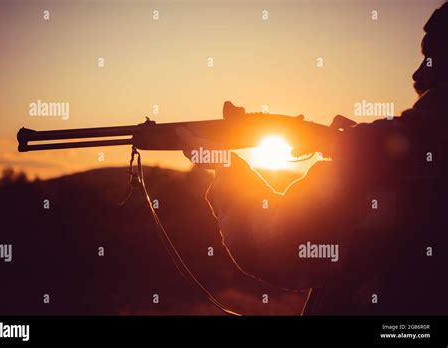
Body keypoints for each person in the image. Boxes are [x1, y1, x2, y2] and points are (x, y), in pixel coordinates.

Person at [178, 3, 448, 315]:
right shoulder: (401, 145)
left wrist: (226, 168)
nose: (417, 74)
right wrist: (352, 144)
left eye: (431, 57)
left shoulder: (392, 152)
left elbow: (278, 247)